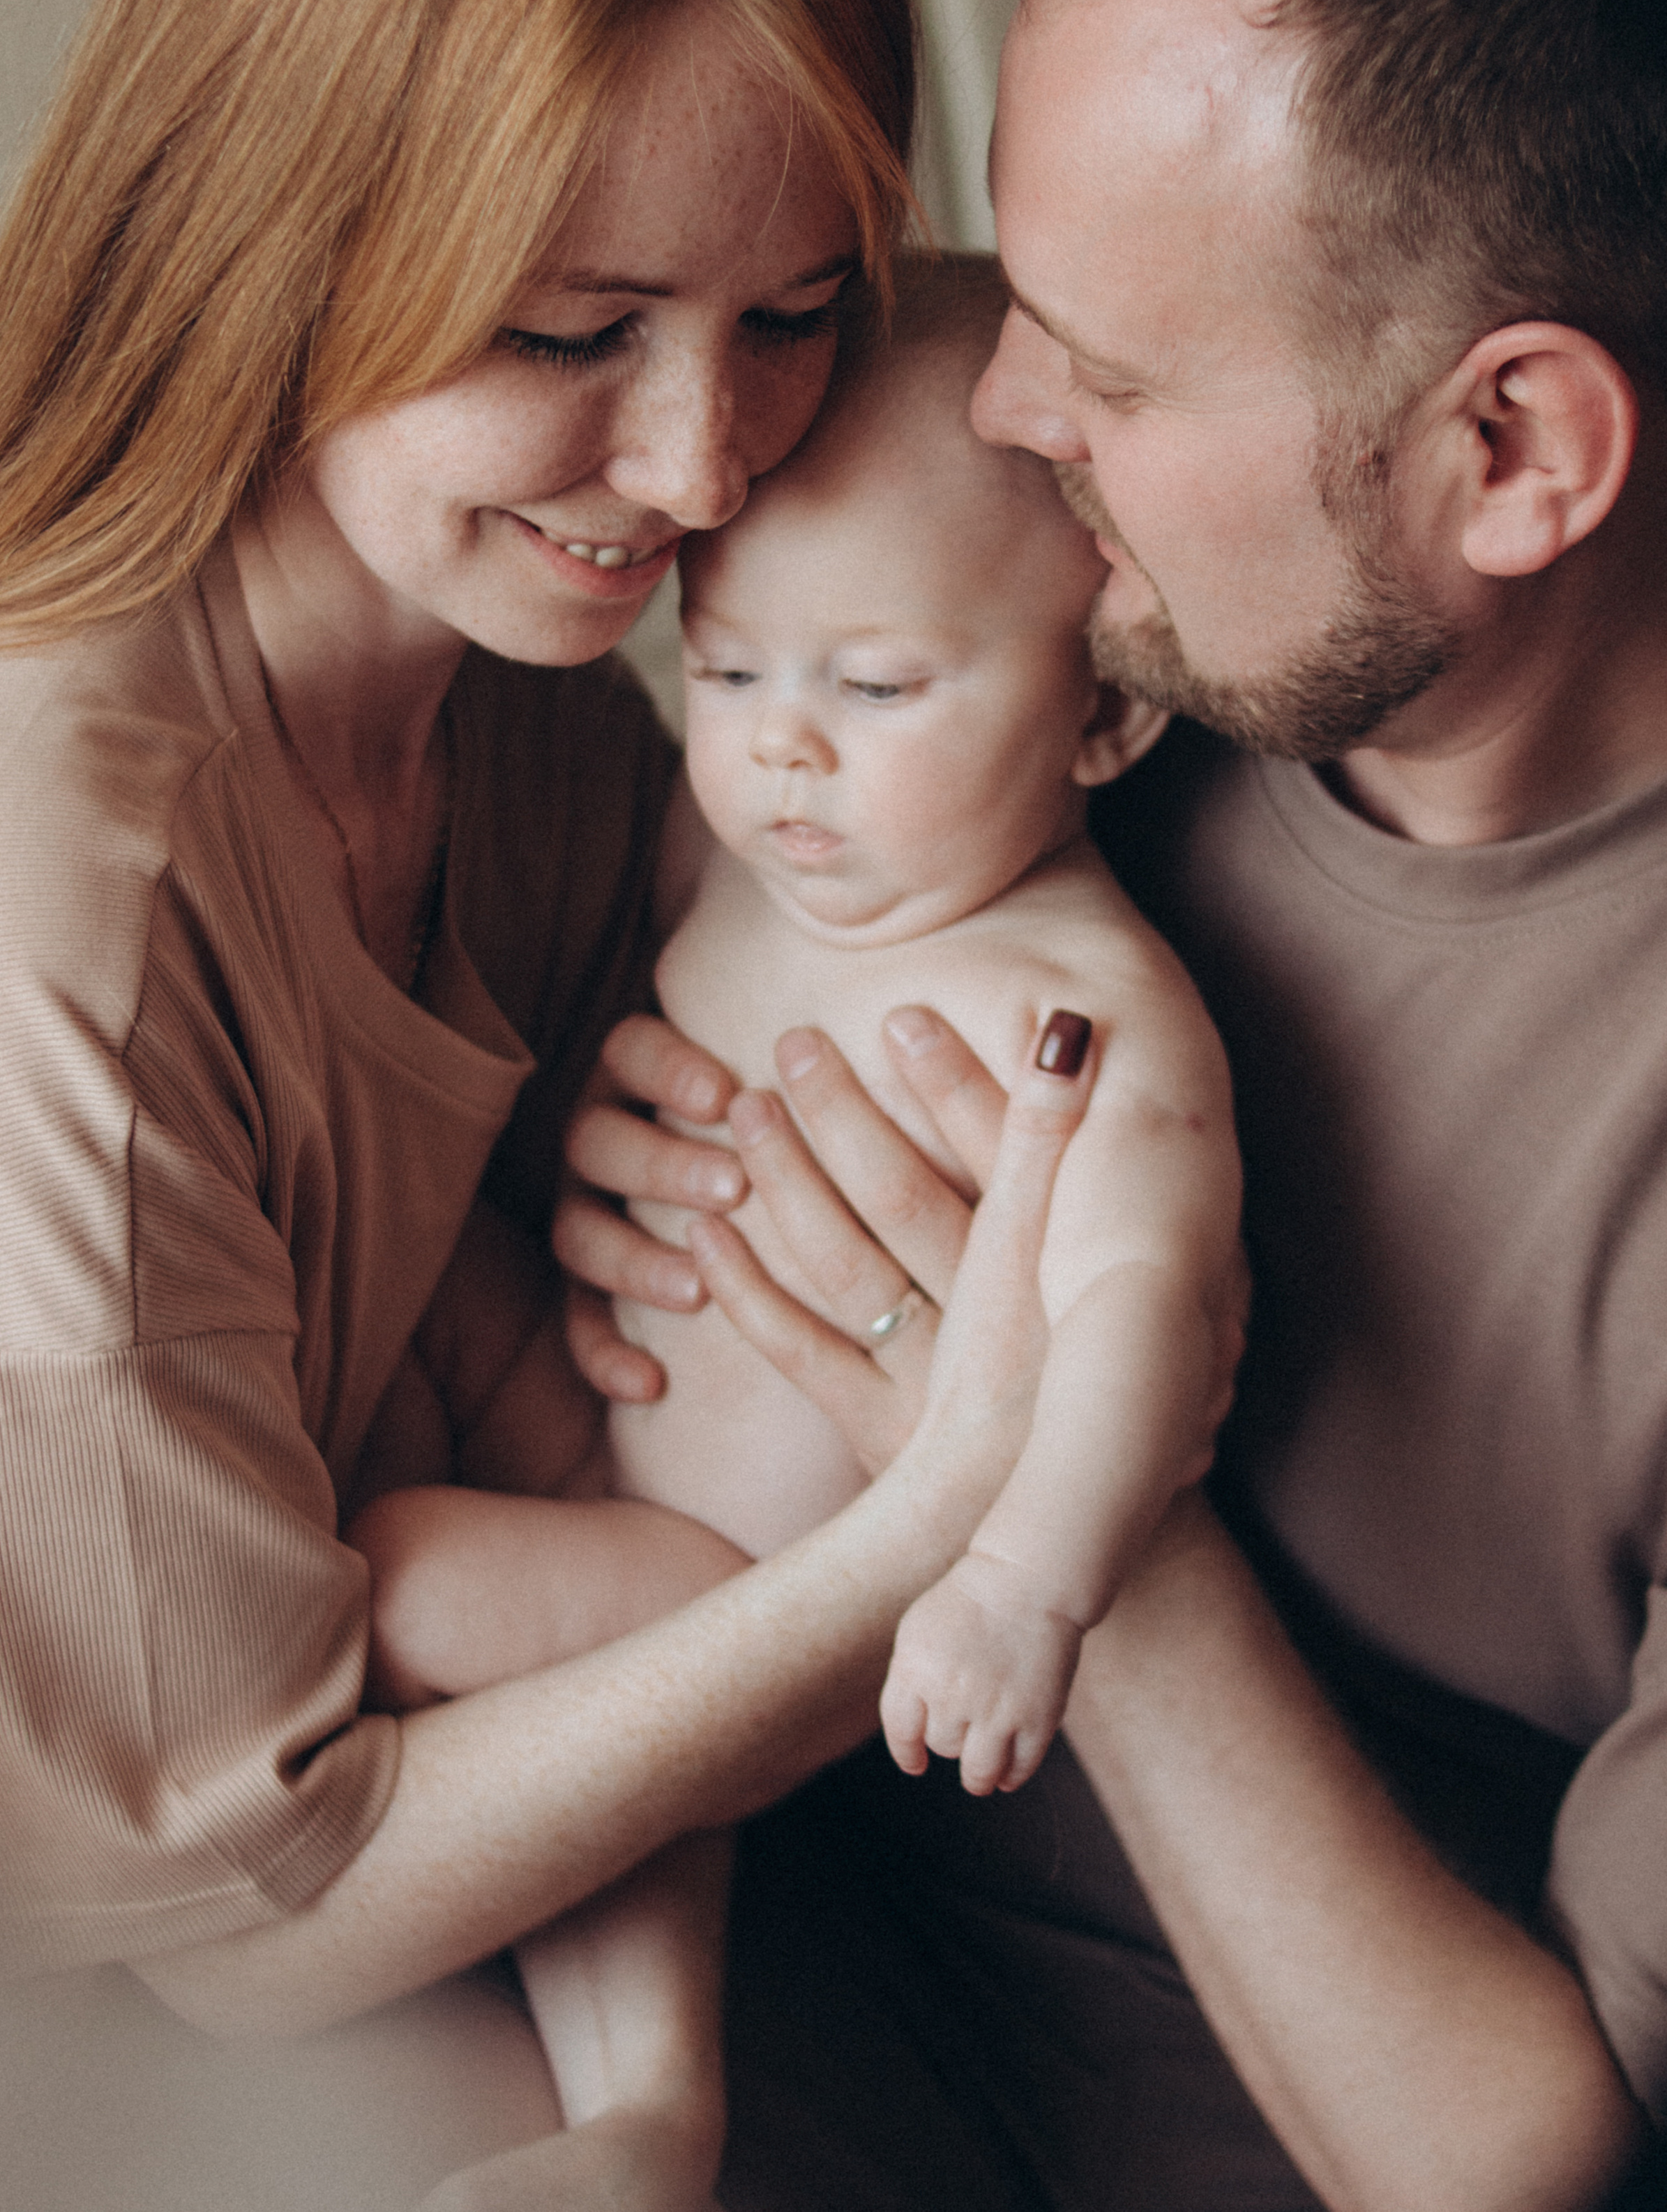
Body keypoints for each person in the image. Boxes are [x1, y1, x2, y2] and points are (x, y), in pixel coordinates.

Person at [0, 0, 1231, 2212]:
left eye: (793, 313)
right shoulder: (38, 889)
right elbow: (249, 1911)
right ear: (270, 232)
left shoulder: (525, 667)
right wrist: (944, 1507)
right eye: (568, 333)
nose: (700, 461)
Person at [566, 0, 1667, 2209]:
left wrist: (1039, 1468)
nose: (994, 423)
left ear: (1510, 450)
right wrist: (655, 1086)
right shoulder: (1114, 658)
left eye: (1110, 361)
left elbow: (1531, 2162)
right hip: (679, 1936)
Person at [352, 254, 1243, 2197]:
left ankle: (651, 2102)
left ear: (1102, 721)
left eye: (878, 685)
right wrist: (608, 1119)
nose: (781, 748)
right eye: (733, 666)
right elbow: (643, 1049)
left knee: (407, 1574)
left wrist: (1027, 1586)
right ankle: (634, 2121)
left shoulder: (1075, 1005)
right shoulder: (753, 837)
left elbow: (1153, 1315)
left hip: (749, 1591)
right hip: (598, 1410)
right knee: (381, 1258)